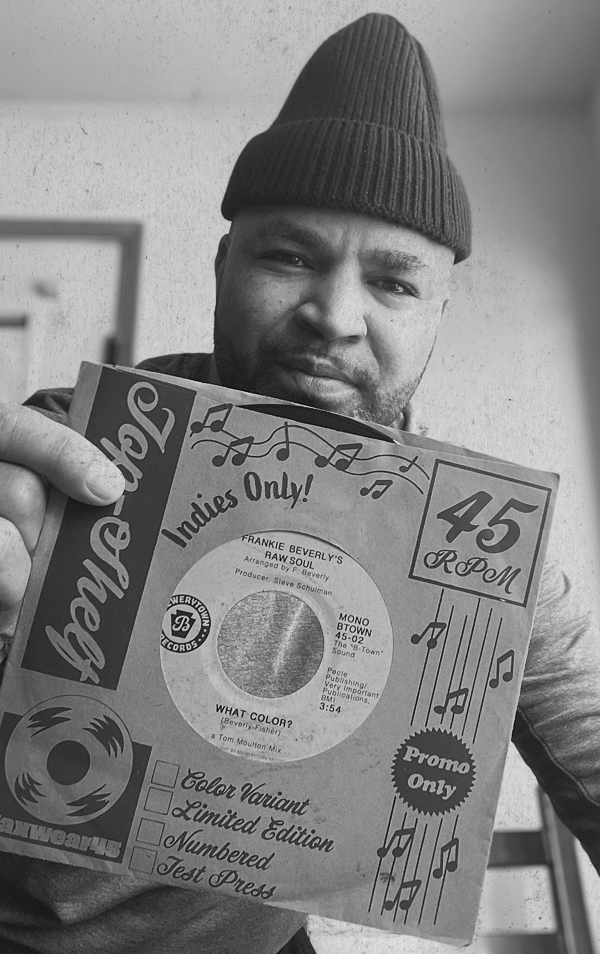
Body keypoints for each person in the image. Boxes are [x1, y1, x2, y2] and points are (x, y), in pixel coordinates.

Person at [0, 13, 598, 954]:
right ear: (222, 265)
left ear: (439, 314)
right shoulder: (74, 444)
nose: (335, 317)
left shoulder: (475, 540)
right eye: (290, 256)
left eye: (395, 282)